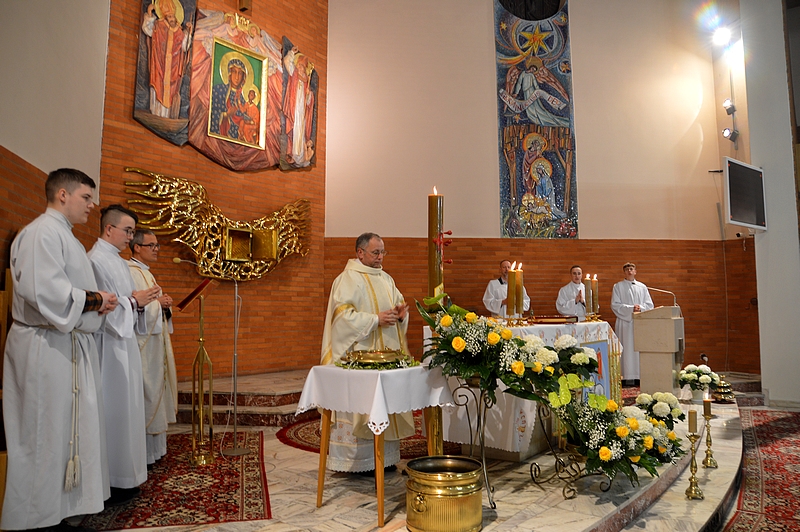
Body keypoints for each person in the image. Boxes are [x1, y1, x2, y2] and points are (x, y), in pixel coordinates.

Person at [2, 168, 118, 531]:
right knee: (43, 433)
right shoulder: (42, 233)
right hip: (43, 345)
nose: (92, 205)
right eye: (86, 197)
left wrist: (96, 303)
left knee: (65, 431)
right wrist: (97, 300)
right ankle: (34, 519)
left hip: (64, 342)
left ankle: (59, 510)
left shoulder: (65, 235)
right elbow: (45, 292)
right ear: (62, 194)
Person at [319, 232, 414, 472]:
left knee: (383, 406)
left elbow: (398, 308)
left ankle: (385, 459)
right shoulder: (346, 280)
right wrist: (374, 320)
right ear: (360, 253)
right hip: (358, 360)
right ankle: (355, 463)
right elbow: (342, 319)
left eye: (383, 252)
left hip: (385, 360)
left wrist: (401, 315)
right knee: (361, 407)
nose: (380, 257)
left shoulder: (387, 279)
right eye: (375, 252)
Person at [88, 204, 161, 505]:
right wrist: (135, 302)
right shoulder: (95, 261)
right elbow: (105, 310)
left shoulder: (117, 261)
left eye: (132, 232)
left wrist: (138, 303)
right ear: (109, 229)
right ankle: (113, 480)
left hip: (125, 344)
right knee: (114, 411)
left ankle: (127, 477)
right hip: (108, 348)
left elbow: (127, 303)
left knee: (128, 411)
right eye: (128, 231)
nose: (131, 238)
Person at [128, 230, 178, 466]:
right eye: (152, 245)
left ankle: (156, 450)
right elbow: (133, 307)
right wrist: (158, 304)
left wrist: (163, 306)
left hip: (156, 344)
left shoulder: (146, 273)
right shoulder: (130, 272)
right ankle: (145, 453)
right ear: (137, 247)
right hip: (144, 346)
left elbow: (152, 306)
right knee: (147, 392)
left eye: (157, 245)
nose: (156, 249)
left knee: (157, 390)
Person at [141, 0, 193, 118]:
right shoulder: (159, 26)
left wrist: (188, 32)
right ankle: (156, 114)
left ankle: (167, 116)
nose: (172, 19)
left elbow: (185, 46)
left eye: (173, 16)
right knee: (158, 87)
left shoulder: (179, 31)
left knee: (170, 92)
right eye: (169, 16)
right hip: (160, 64)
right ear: (164, 16)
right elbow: (147, 30)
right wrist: (149, 13)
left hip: (173, 68)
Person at [610, 262, 654, 386]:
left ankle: (640, 376)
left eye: (631, 269)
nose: (629, 271)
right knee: (626, 349)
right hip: (625, 323)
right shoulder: (618, 286)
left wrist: (640, 308)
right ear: (624, 272)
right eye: (627, 269)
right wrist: (631, 309)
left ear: (635, 271)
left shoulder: (642, 287)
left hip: (640, 323)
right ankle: (626, 376)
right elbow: (615, 305)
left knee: (639, 348)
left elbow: (649, 305)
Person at [210, 57, 248, 140]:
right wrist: (226, 114)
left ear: (243, 77)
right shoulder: (218, 90)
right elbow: (211, 113)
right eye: (234, 72)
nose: (237, 77)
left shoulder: (242, 100)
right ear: (229, 74)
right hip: (220, 136)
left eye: (240, 73)